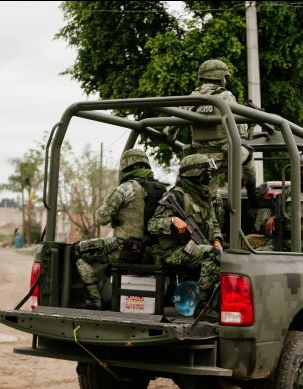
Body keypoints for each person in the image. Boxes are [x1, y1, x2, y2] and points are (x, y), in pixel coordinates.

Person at [75, 148, 166, 309]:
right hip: (154, 253)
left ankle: (95, 300)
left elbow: (101, 218)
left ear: (125, 166)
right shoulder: (162, 190)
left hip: (126, 250)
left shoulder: (125, 188)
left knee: (79, 253)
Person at [170, 59, 257, 217]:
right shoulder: (225, 96)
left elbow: (169, 128)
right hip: (221, 156)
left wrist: (172, 139)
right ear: (222, 78)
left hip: (197, 158)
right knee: (248, 155)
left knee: (207, 197)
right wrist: (249, 124)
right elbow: (240, 131)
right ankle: (253, 197)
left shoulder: (191, 97)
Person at [147, 153, 223, 305]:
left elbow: (213, 223)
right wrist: (173, 220)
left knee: (221, 255)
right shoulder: (175, 196)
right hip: (173, 252)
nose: (208, 178)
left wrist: (217, 240)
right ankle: (203, 305)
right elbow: (152, 224)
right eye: (205, 175)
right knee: (212, 255)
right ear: (195, 176)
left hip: (197, 246)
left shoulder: (204, 198)